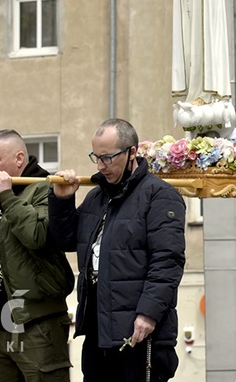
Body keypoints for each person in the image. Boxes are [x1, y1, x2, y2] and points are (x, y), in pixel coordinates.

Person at [48, 119, 186, 382]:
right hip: (98, 331)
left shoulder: (159, 195)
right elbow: (66, 241)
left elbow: (167, 261)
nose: (101, 166)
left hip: (141, 332)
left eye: (108, 158)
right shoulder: (96, 198)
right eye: (96, 157)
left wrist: (148, 313)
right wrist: (62, 200)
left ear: (132, 153)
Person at [0, 129, 74, 381]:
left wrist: (7, 196)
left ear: (18, 159)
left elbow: (36, 236)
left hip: (38, 324)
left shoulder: (46, 189)